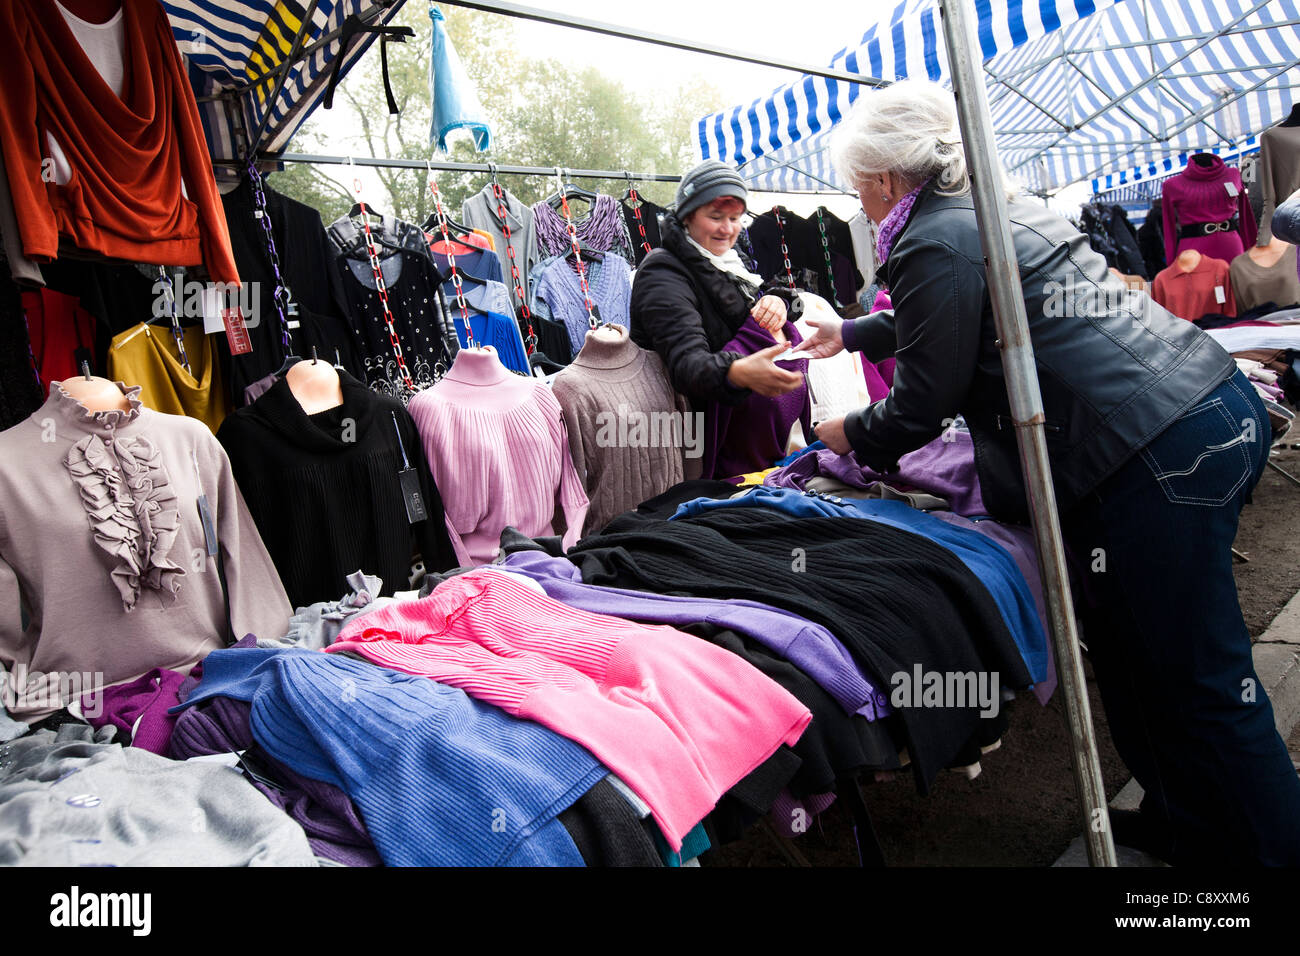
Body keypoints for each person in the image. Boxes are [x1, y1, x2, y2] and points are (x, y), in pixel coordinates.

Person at [795, 79, 1300, 866]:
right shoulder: (992, 207)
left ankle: (1268, 851)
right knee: (1134, 660)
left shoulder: (932, 235)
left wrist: (849, 433)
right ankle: (1187, 825)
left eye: (858, 180)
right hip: (1193, 417)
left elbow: (922, 404)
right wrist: (856, 334)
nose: (855, 197)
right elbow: (953, 308)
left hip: (1151, 451)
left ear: (886, 175)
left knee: (1199, 680)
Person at [630, 160, 809, 479]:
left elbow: (778, 297)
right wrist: (737, 372)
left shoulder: (729, 259)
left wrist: (779, 301)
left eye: (734, 218)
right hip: (704, 448)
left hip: (751, 444)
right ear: (687, 216)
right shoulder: (663, 273)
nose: (727, 229)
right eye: (715, 217)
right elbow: (688, 366)